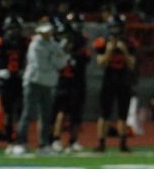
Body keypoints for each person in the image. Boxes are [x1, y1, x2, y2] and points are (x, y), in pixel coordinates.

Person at [9, 19, 68, 156]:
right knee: (28, 113)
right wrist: (55, 59)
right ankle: (20, 143)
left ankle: (44, 145)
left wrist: (55, 59)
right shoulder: (35, 45)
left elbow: (61, 63)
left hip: (48, 83)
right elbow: (42, 65)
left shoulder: (53, 44)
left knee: (46, 114)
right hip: (33, 81)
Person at [93, 13, 136, 153]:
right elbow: (101, 62)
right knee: (104, 112)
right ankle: (101, 143)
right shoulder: (103, 42)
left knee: (123, 113)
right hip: (109, 79)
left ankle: (123, 143)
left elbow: (132, 64)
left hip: (124, 80)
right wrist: (109, 51)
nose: (116, 31)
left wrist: (124, 50)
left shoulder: (129, 43)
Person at [0, 15, 27, 151]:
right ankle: (10, 140)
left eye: (15, 28)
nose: (13, 31)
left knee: (21, 111)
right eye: (11, 28)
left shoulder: (24, 42)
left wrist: (25, 70)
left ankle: (20, 140)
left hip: (20, 79)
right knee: (8, 112)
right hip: (5, 80)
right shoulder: (1, 42)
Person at [51, 13, 90, 153]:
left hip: (77, 81)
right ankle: (55, 139)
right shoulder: (58, 43)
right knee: (61, 112)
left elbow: (86, 59)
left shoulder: (80, 42)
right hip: (63, 81)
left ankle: (73, 140)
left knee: (76, 114)